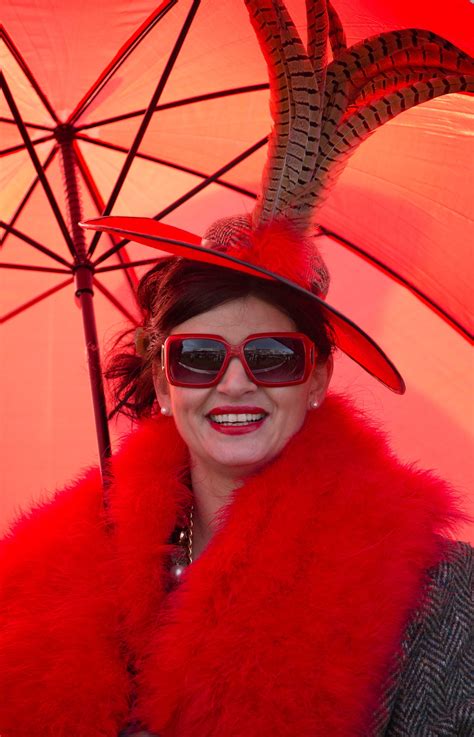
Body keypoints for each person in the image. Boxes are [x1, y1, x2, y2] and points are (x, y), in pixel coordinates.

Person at [1, 1, 473, 736]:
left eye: (272, 356)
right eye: (196, 357)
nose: (234, 382)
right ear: (160, 380)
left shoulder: (436, 591)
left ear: (316, 378)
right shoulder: (45, 583)